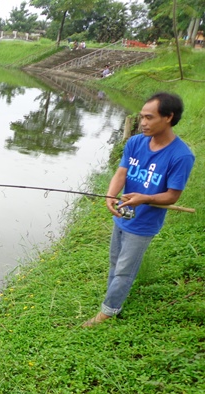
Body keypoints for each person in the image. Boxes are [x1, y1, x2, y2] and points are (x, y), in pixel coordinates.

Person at [82, 92, 195, 327]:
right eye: (142, 117)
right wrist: (111, 195)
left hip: (144, 223)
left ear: (168, 117)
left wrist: (146, 198)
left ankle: (109, 311)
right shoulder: (135, 142)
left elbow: (172, 195)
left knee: (125, 268)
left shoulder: (181, 155)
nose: (142, 122)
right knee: (115, 261)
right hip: (124, 214)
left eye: (149, 117)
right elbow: (121, 172)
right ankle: (112, 296)